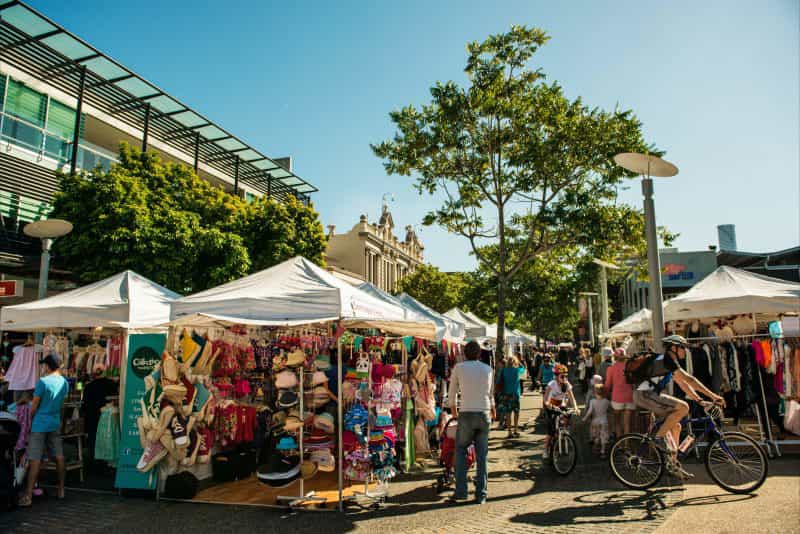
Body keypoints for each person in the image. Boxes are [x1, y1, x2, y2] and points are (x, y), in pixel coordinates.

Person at [632, 335, 725, 479]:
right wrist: (714, 396)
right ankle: (658, 438)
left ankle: (673, 464)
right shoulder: (667, 360)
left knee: (676, 426)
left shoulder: (668, 362)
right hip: (644, 394)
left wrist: (700, 400)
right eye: (683, 347)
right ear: (674, 348)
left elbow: (683, 384)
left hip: (650, 395)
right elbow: (690, 379)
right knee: (684, 407)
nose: (685, 350)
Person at [448, 340, 495, 504]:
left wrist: (454, 413)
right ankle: (481, 494)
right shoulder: (488, 369)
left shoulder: (459, 368)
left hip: (466, 412)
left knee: (460, 451)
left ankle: (461, 491)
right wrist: (493, 409)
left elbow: (452, 393)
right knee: (482, 455)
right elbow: (490, 393)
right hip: (484, 412)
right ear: (479, 354)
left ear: (464, 354)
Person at [19, 353, 69, 506]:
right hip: (54, 422)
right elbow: (63, 405)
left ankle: (28, 495)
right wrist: (60, 421)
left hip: (40, 424)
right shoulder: (64, 382)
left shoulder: (42, 382)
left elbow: (34, 406)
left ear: (47, 366)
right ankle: (61, 489)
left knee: (35, 458)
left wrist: (30, 420)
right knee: (59, 456)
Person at [82, 364, 119, 465]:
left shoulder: (89, 386)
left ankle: (95, 463)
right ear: (104, 372)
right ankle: (108, 462)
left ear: (94, 373)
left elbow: (84, 405)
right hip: (109, 420)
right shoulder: (112, 384)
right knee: (109, 440)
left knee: (93, 442)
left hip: (93, 419)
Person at [542, 364, 578, 459]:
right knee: (551, 431)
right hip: (551, 406)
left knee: (566, 419)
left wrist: (576, 408)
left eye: (566, 376)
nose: (564, 378)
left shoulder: (567, 384)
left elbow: (572, 398)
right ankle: (545, 449)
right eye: (562, 376)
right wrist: (548, 404)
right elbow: (545, 399)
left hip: (561, 405)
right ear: (556, 376)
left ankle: (563, 434)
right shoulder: (552, 384)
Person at [605, 347, 634, 439]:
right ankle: (626, 444)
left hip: (617, 398)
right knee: (627, 423)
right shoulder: (630, 367)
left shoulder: (611, 368)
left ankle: (619, 443)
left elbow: (608, 385)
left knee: (617, 422)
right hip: (630, 397)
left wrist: (605, 394)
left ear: (615, 357)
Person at [496, 356, 525, 438]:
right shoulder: (517, 370)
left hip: (506, 394)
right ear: (515, 362)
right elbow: (523, 368)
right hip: (515, 394)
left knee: (508, 413)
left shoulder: (503, 370)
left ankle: (509, 432)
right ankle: (515, 429)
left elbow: (498, 381)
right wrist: (519, 362)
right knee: (516, 412)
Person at [583, 384, 610, 458]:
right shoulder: (607, 401)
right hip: (604, 421)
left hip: (595, 421)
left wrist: (585, 418)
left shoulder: (592, 401)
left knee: (596, 436)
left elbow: (590, 411)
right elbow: (610, 410)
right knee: (603, 436)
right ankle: (602, 451)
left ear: (594, 393)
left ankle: (596, 448)